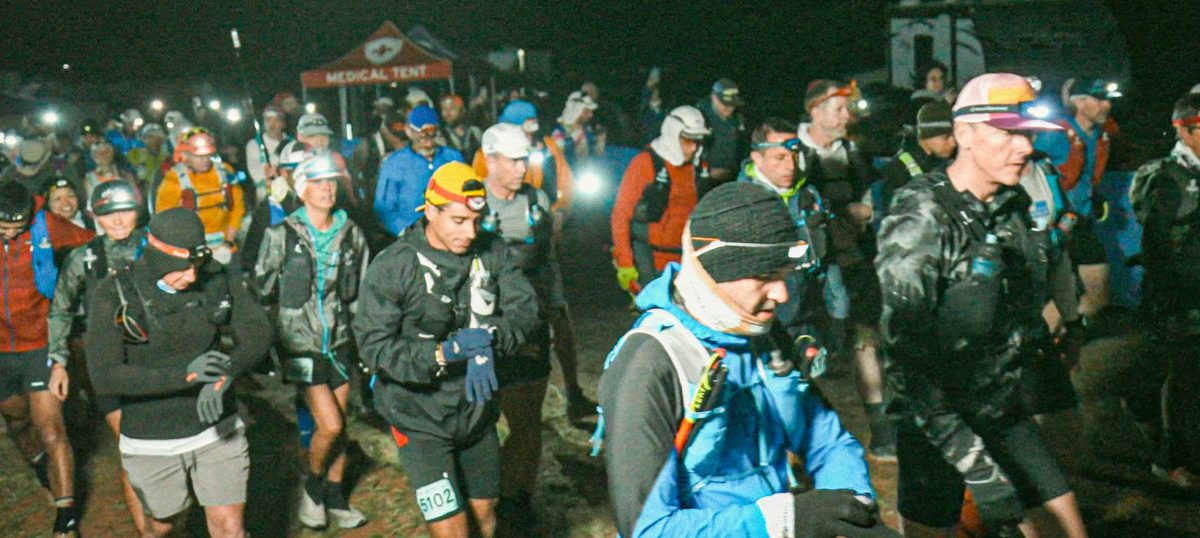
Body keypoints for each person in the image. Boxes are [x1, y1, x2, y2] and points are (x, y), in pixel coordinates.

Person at [595, 181, 895, 538]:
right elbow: (648, 529)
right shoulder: (649, 363)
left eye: (784, 276)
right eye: (765, 277)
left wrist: (851, 508)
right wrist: (780, 522)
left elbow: (827, 439)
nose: (782, 294)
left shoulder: (761, 336)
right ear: (715, 270)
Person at [876, 73, 1088, 537]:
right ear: (965, 134)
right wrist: (979, 470)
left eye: (1027, 134)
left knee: (1065, 523)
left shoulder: (1012, 205)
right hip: (933, 419)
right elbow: (905, 361)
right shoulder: (922, 214)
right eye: (1008, 134)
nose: (1024, 148)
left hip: (998, 405)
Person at [354, 162, 537, 538]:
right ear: (431, 212)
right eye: (458, 221)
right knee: (452, 530)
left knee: (485, 512)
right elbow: (374, 347)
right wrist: (442, 353)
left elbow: (525, 311)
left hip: (476, 412)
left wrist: (490, 336)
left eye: (476, 221)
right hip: (418, 417)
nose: (470, 232)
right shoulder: (394, 266)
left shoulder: (492, 251)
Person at [86, 208, 271, 538]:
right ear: (157, 256)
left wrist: (227, 370)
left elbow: (257, 329)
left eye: (196, 265)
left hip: (217, 428)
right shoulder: (115, 294)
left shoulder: (215, 278)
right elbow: (106, 375)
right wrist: (186, 376)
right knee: (162, 526)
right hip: (152, 437)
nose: (192, 276)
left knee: (230, 527)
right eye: (182, 267)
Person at [255, 153, 370, 528]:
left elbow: (361, 291)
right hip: (298, 343)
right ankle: (313, 488)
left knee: (341, 425)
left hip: (339, 339)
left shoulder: (351, 233)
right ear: (302, 188)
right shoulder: (281, 234)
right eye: (317, 182)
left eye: (331, 181)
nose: (326, 189)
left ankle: (335, 496)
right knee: (330, 425)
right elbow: (263, 288)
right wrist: (272, 340)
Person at [47, 180, 148, 533]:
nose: (117, 221)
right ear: (94, 217)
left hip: (157, 360)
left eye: (125, 211)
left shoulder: (156, 246)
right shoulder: (85, 258)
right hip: (110, 366)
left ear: (138, 211)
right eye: (108, 214)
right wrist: (59, 360)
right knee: (133, 447)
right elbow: (61, 308)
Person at [0, 179, 93, 536]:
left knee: (51, 428)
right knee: (17, 421)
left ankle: (65, 518)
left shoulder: (45, 224)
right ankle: (41, 465)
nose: (11, 234)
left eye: (17, 228)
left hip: (41, 342)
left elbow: (91, 244)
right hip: (1, 351)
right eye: (3, 228)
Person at [1126, 91, 1200, 488]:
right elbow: (1154, 241)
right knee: (1184, 375)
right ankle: (1170, 459)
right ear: (1185, 131)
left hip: (1191, 289)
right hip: (1181, 295)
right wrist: (1170, 292)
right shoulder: (1172, 179)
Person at [1034, 78, 1122, 319]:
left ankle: (1057, 329)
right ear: (1080, 103)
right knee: (1064, 292)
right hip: (1057, 226)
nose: (1107, 105)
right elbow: (1030, 176)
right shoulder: (1056, 135)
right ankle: (1045, 332)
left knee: (1096, 294)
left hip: (1081, 221)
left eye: (1107, 99)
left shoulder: (1100, 135)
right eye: (1099, 99)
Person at [611, 106, 710, 294]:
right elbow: (621, 214)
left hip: (686, 258)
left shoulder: (698, 168)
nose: (694, 147)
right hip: (650, 258)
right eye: (688, 140)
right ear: (673, 135)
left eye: (698, 141)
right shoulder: (645, 163)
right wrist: (625, 262)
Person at [155, 127, 244, 265]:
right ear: (185, 155)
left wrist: (228, 242)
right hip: (191, 250)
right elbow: (165, 219)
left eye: (208, 155)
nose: (205, 160)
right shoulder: (173, 179)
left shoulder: (225, 171)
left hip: (224, 245)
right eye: (199, 156)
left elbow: (237, 208)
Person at [375, 104, 464, 236]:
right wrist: (407, 233)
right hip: (410, 235)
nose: (428, 143)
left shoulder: (453, 157)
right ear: (409, 131)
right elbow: (384, 209)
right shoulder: (395, 163)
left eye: (432, 136)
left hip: (449, 233)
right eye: (422, 137)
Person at [472, 99, 573, 213]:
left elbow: (565, 181)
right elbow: (477, 191)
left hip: (542, 213)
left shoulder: (548, 146)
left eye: (533, 127)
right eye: (523, 131)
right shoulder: (488, 153)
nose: (529, 137)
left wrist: (560, 209)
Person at [876, 101, 957, 215]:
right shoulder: (899, 169)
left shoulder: (949, 160)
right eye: (946, 137)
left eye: (954, 136)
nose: (953, 143)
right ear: (926, 135)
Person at [696, 78, 747, 183]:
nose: (730, 108)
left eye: (733, 104)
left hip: (731, 178)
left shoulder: (737, 119)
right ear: (714, 98)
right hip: (703, 180)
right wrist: (706, 172)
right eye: (726, 104)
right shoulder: (698, 119)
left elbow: (743, 148)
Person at [244, 105, 292, 206]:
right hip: (267, 197)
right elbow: (256, 175)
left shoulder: (292, 143)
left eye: (276, 120)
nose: (272, 124)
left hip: (291, 194)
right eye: (268, 120)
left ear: (283, 123)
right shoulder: (254, 144)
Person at [552, 90, 603, 167]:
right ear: (576, 111)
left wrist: (600, 140)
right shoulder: (559, 134)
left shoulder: (588, 131)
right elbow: (557, 162)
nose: (591, 115)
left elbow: (598, 156)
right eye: (586, 111)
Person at [439, 95, 483, 160]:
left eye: (452, 109)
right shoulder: (440, 136)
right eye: (444, 109)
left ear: (462, 111)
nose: (447, 113)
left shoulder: (475, 132)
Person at [127, 123, 171, 189]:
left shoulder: (167, 157)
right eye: (147, 136)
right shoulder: (134, 154)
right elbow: (128, 172)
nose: (149, 139)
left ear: (161, 140)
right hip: (141, 189)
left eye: (153, 136)